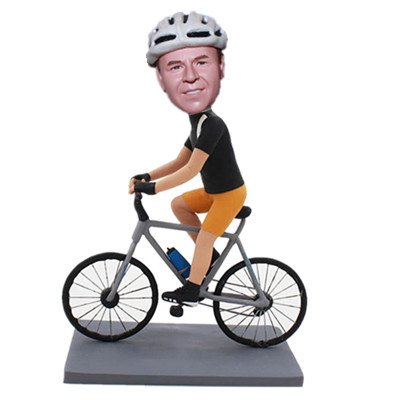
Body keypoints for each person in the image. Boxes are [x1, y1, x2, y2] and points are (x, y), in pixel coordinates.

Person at [129, 11, 246, 306]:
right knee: (179, 204)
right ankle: (210, 260)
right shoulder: (198, 124)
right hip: (213, 193)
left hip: (229, 196)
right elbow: (179, 162)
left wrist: (152, 189)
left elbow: (192, 170)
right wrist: (147, 176)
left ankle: (193, 291)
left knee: (204, 238)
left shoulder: (213, 125)